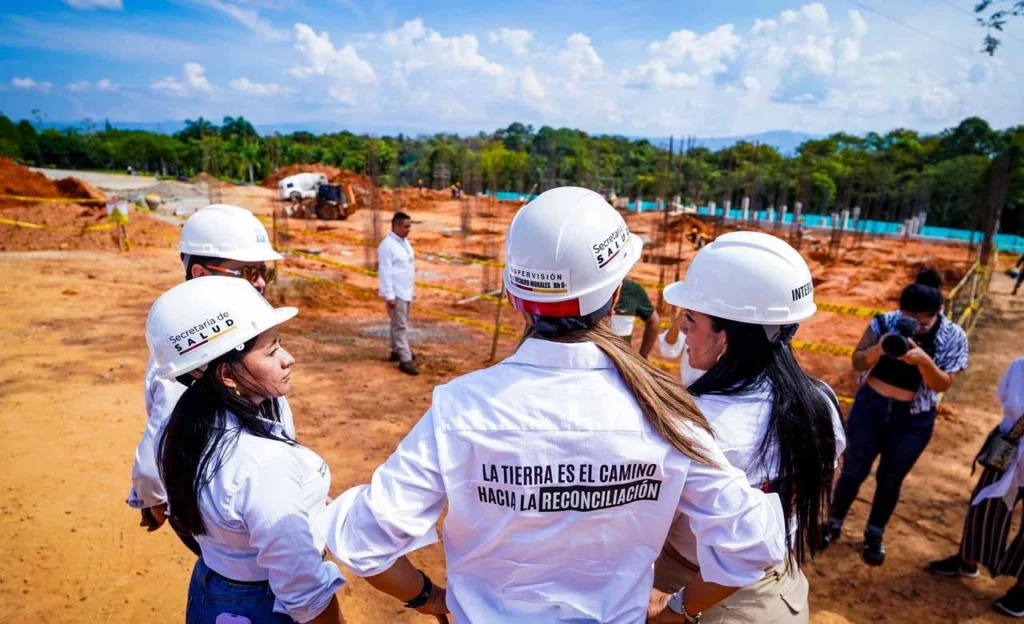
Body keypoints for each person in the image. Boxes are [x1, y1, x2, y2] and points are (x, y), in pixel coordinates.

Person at [324, 187, 787, 623]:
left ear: (513, 298)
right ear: (613, 299)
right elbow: (753, 543)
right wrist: (677, 611)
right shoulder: (668, 413)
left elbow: (362, 539)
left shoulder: (460, 408)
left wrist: (430, 598)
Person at [655, 231, 846, 623]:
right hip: (779, 595)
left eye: (691, 319)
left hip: (697, 594)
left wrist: (675, 609)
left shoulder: (695, 422)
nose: (683, 330)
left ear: (726, 336)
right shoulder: (820, 401)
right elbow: (827, 472)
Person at [149, 276, 345, 623]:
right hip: (265, 605)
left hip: (214, 589)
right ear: (226, 374)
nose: (289, 359)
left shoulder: (180, 428)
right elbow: (305, 596)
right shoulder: (262, 464)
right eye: (271, 351)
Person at [127, 203, 288, 555]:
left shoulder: (238, 331)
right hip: (228, 515)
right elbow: (161, 437)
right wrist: (151, 499)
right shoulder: (194, 355)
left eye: (264, 272)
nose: (260, 282)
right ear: (200, 273)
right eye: (247, 272)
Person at [825, 268, 969, 566]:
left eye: (922, 323)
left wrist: (923, 361)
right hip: (870, 408)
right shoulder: (884, 323)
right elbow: (856, 361)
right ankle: (832, 523)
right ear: (899, 310)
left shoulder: (953, 336)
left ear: (938, 312)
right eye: (908, 319)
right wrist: (879, 348)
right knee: (852, 470)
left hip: (913, 420)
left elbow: (942, 384)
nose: (914, 329)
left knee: (890, 479)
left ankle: (874, 535)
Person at [929, 358, 1024, 617]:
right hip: (1009, 450)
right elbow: (1005, 399)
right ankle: (968, 559)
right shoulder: (1018, 367)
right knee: (984, 506)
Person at [378, 211, 417, 376]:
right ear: (395, 226)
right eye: (405, 227)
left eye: (409, 226)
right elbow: (385, 272)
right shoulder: (387, 246)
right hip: (396, 292)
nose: (408, 230)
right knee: (400, 326)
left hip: (406, 290)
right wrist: (390, 295)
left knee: (398, 323)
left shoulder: (404, 242)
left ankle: (396, 351)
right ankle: (405, 359)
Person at [610, 277, 660, 358]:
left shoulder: (633, 290)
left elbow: (654, 321)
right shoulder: (588, 287)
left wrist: (643, 356)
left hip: (622, 362)